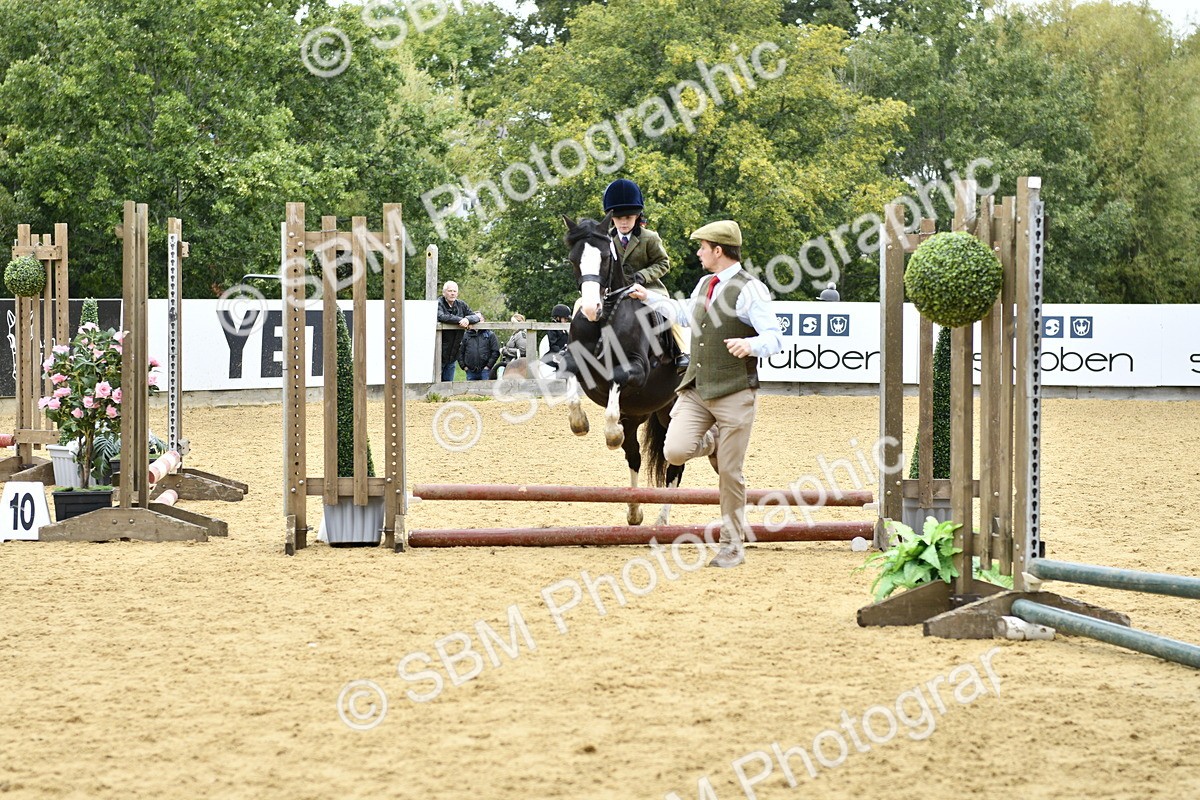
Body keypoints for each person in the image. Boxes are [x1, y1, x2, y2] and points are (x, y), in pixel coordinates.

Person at [630, 220, 782, 569]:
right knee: (674, 450)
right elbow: (684, 313)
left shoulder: (750, 289)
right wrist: (649, 297)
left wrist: (751, 344)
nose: (698, 252)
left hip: (734, 392)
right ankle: (711, 441)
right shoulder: (704, 283)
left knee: (730, 473)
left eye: (702, 247)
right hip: (697, 389)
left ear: (718, 250)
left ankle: (732, 545)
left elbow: (775, 336)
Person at [602, 178, 689, 372]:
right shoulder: (606, 239)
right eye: (618, 218)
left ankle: (680, 352)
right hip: (615, 289)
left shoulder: (649, 238)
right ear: (611, 218)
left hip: (648, 287)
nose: (623, 222)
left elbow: (663, 263)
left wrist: (642, 276)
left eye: (629, 218)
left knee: (667, 309)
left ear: (637, 216)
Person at [436, 281, 481, 382]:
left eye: (454, 291)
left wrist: (467, 319)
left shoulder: (461, 304)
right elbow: (441, 316)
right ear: (444, 293)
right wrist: (460, 320)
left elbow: (476, 316)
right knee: (435, 382)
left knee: (449, 383)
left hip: (453, 352)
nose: (452, 293)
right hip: (439, 351)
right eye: (450, 291)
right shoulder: (438, 303)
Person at [540, 303, 572, 371]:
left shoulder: (564, 329)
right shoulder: (552, 329)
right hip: (554, 356)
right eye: (565, 318)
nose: (566, 320)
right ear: (558, 317)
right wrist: (562, 353)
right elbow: (553, 345)